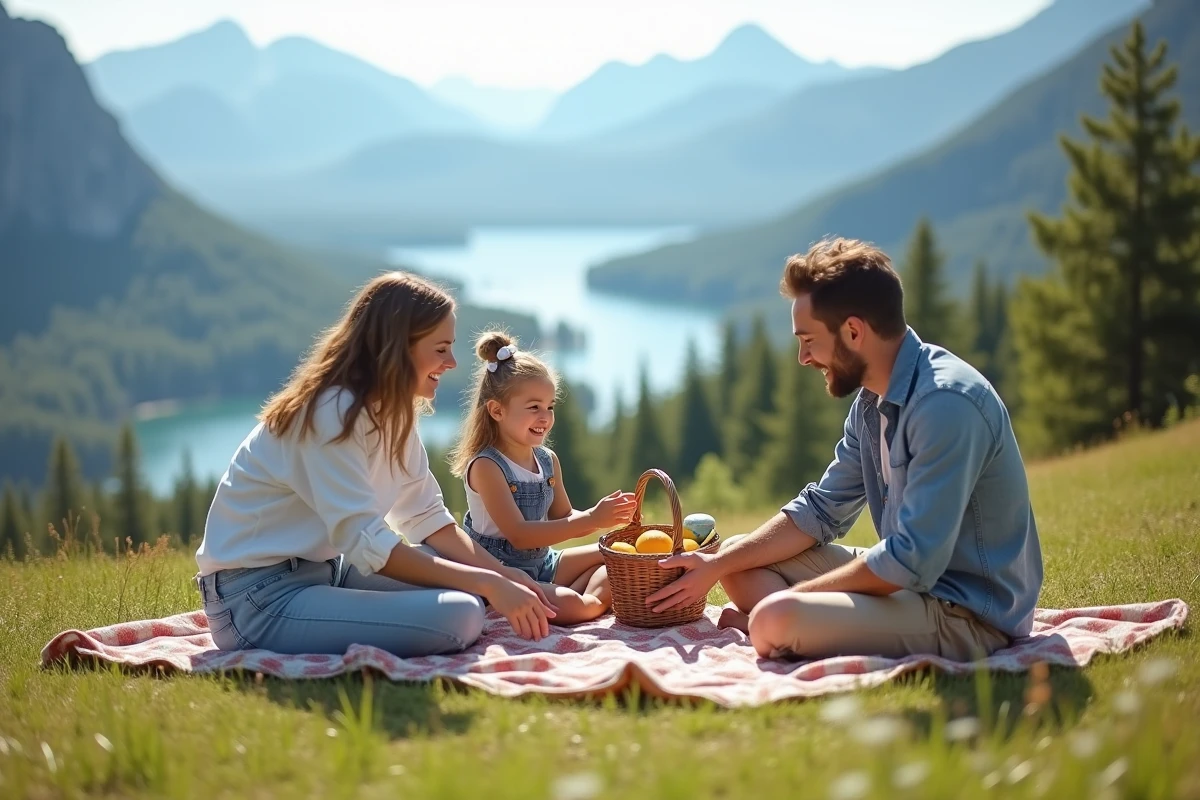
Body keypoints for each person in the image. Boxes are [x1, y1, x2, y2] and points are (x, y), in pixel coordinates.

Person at [644, 238, 1043, 661]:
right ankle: (799, 623)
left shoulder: (946, 404)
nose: (802, 357)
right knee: (735, 559)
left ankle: (781, 624)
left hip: (967, 613)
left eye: (808, 340)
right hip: (910, 588)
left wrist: (794, 601)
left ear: (853, 331)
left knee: (772, 619)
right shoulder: (871, 403)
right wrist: (714, 568)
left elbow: (912, 560)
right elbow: (820, 511)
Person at [194, 272, 558, 657]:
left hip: (330, 571)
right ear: (399, 346)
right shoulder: (329, 413)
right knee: (462, 614)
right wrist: (487, 585)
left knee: (468, 586)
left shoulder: (393, 414)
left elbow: (427, 517)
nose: (452, 362)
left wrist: (501, 574)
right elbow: (368, 541)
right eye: (441, 348)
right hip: (256, 599)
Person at [450, 332, 636, 624]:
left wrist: (607, 520)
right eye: (534, 407)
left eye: (550, 406)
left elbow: (563, 516)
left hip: (545, 563)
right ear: (497, 410)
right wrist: (591, 519)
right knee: (579, 608)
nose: (545, 417)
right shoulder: (487, 466)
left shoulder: (547, 460)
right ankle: (587, 602)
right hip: (503, 575)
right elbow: (520, 535)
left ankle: (559, 592)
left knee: (618, 553)